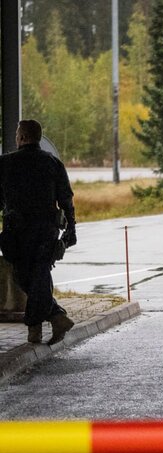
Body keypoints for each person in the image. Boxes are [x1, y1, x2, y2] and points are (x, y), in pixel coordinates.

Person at [0, 119, 77, 345]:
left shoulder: (5, 164)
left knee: (26, 277)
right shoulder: (53, 163)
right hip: (46, 232)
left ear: (22, 138)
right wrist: (71, 228)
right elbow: (66, 199)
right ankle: (57, 317)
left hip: (17, 233)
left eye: (17, 134)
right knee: (39, 277)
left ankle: (35, 329)